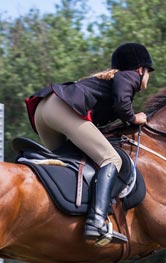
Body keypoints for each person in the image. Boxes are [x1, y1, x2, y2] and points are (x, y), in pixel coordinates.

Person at [25, 43, 154, 247]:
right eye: (148, 73)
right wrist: (134, 118)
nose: (148, 78)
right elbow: (122, 104)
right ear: (141, 69)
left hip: (44, 110)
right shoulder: (128, 76)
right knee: (111, 159)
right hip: (61, 109)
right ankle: (96, 221)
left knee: (67, 163)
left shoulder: (105, 81)